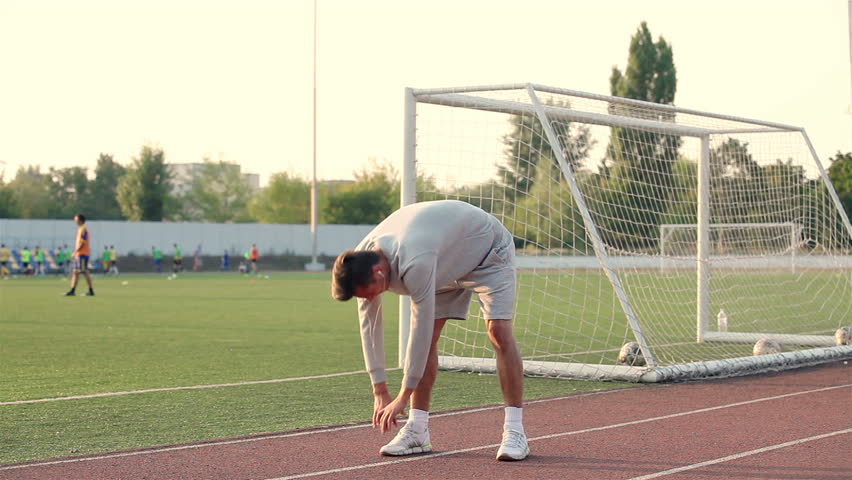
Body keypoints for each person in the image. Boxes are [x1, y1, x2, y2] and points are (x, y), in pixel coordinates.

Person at [331, 200, 529, 461]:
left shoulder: (415, 261)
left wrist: (403, 396)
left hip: (487, 251)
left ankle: (515, 430)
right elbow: (370, 326)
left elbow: (419, 330)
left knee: (498, 331)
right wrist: (379, 389)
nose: (368, 300)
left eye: (367, 294)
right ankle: (417, 430)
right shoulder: (359, 262)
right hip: (444, 260)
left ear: (379, 272)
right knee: (432, 337)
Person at [64, 213, 95, 296]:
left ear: (80, 220)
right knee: (75, 272)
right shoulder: (80, 229)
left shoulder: (83, 229)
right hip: (79, 254)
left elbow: (83, 242)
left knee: (84, 272)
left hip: (82, 254)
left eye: (76, 219)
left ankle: (91, 291)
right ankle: (72, 291)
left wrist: (75, 252)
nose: (75, 221)